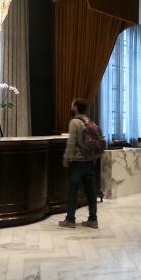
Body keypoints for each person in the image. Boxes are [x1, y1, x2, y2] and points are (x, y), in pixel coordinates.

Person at [59, 98, 98, 229]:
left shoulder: (74, 122)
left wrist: (66, 157)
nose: (71, 107)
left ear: (75, 107)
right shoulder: (89, 121)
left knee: (73, 191)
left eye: (72, 105)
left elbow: (71, 142)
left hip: (78, 161)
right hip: (89, 161)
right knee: (91, 192)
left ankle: (70, 219)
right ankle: (93, 220)